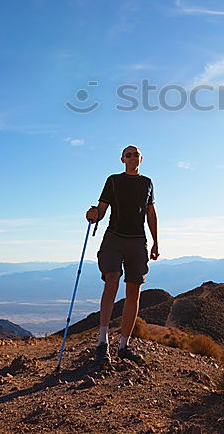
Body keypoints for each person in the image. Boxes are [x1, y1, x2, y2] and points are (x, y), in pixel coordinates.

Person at [85, 145, 159, 365]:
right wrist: (93, 215)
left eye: (136, 154)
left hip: (138, 240)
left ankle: (124, 345)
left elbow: (151, 213)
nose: (133, 157)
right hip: (114, 238)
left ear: (141, 159)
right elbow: (102, 208)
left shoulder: (147, 183)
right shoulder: (113, 181)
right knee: (112, 280)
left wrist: (156, 242)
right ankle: (102, 343)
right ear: (122, 159)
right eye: (129, 155)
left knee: (134, 291)